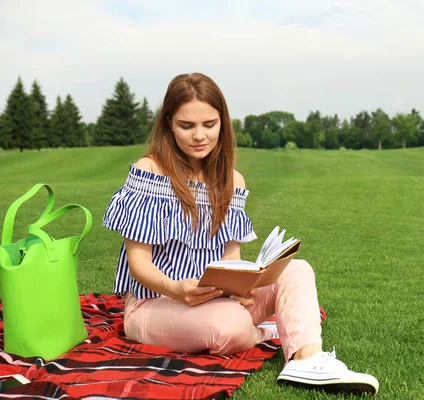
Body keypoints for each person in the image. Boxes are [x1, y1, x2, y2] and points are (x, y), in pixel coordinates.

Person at [102, 73, 379, 395]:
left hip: (216, 299)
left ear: (223, 122)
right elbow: (138, 263)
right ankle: (269, 332)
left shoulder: (232, 180)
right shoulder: (149, 172)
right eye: (186, 125)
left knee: (297, 268)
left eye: (209, 124)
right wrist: (176, 289)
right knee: (230, 327)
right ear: (168, 124)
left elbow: (229, 257)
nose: (199, 135)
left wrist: (239, 288)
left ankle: (306, 359)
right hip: (155, 303)